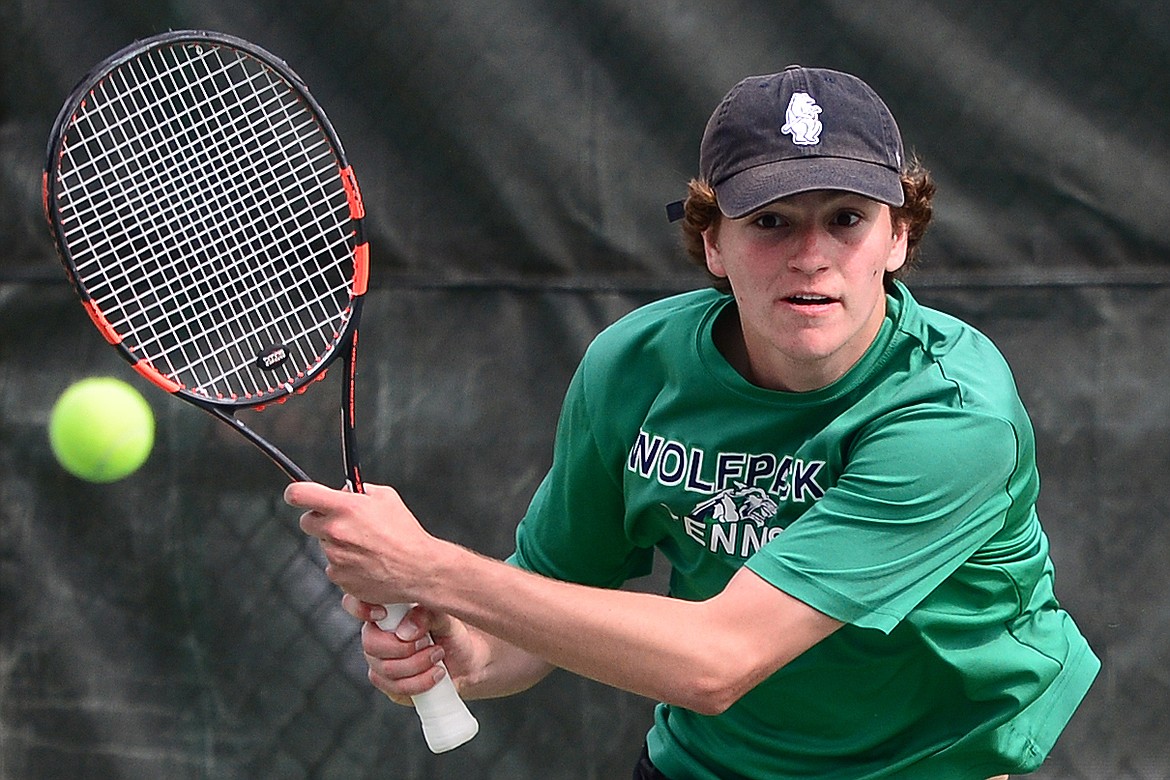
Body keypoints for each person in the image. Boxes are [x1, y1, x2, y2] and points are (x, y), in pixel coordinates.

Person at [288, 65, 1100, 779]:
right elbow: (543, 607)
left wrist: (430, 571)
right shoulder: (635, 369)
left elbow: (719, 659)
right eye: (771, 221)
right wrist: (468, 651)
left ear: (899, 237)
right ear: (712, 243)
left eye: (846, 219)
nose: (811, 254)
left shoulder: (952, 414)